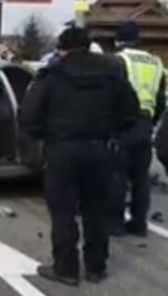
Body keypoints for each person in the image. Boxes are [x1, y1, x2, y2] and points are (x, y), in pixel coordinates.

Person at [19, 25, 139, 286]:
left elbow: (28, 117)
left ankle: (66, 268)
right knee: (96, 210)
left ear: (62, 49)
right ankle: (96, 268)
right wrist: (111, 132)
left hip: (62, 151)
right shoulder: (113, 72)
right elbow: (131, 112)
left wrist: (45, 136)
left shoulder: (52, 75)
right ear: (88, 45)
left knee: (63, 212)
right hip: (100, 150)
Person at [109, 21, 166, 237]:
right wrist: (152, 122)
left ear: (119, 40)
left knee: (118, 174)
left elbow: (113, 94)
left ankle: (115, 222)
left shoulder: (119, 60)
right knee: (140, 176)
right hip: (145, 122)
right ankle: (139, 222)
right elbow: (160, 98)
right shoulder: (156, 62)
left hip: (123, 123)